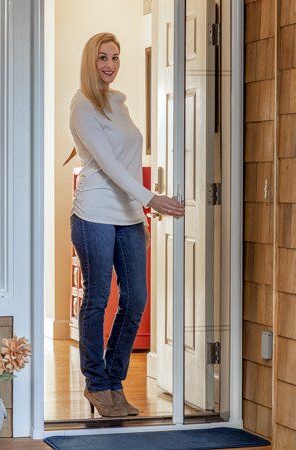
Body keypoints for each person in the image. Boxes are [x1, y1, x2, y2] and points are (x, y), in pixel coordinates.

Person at [69, 32, 185, 418]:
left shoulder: (119, 102)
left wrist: (139, 212)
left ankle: (114, 380)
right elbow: (109, 164)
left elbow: (130, 163)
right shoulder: (82, 105)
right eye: (103, 57)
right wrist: (152, 199)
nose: (110, 64)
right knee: (99, 297)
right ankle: (97, 383)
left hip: (127, 216)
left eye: (116, 57)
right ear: (91, 60)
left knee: (136, 298)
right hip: (94, 214)